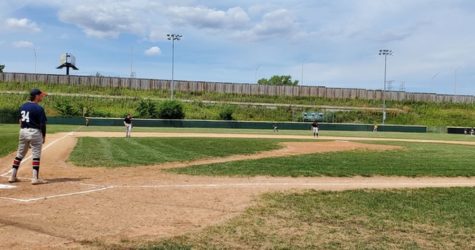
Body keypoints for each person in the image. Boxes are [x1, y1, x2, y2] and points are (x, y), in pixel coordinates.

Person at [9, 88, 48, 185]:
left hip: (23, 131)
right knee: (36, 155)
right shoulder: (39, 108)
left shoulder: (23, 106)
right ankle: (35, 178)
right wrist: (43, 136)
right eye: (40, 95)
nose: (41, 97)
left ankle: (12, 176)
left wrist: (23, 130)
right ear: (36, 96)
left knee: (19, 154)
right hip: (35, 132)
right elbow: (42, 125)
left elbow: (20, 121)